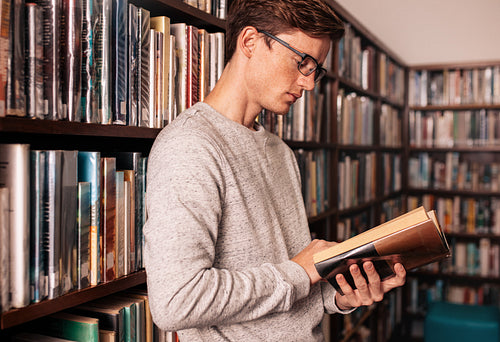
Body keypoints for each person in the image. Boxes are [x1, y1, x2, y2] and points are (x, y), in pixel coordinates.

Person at [143, 0, 406, 340]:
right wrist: (301, 270)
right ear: (250, 42)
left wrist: (340, 295)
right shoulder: (190, 146)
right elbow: (176, 301)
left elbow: (292, 285)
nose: (309, 84)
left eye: (316, 69)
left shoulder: (280, 152)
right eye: (302, 62)